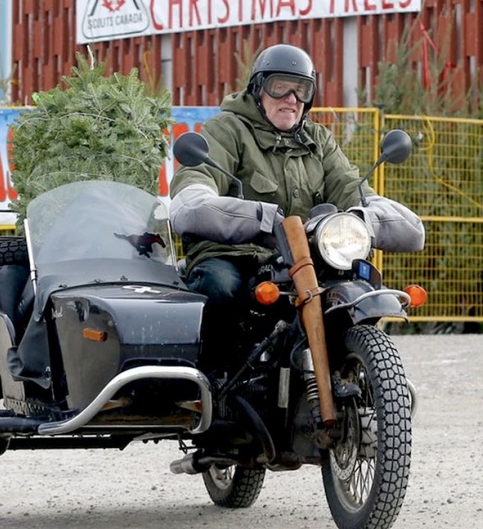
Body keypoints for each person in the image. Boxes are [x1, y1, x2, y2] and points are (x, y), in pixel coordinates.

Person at [169, 43, 424, 337]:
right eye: (280, 87)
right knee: (222, 287)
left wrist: (362, 217)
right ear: (258, 89)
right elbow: (190, 201)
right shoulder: (228, 129)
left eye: (301, 90)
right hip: (234, 255)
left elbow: (351, 187)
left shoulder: (317, 139)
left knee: (359, 288)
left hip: (303, 260)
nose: (291, 99)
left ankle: (356, 368)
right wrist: (260, 219)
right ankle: (213, 378)